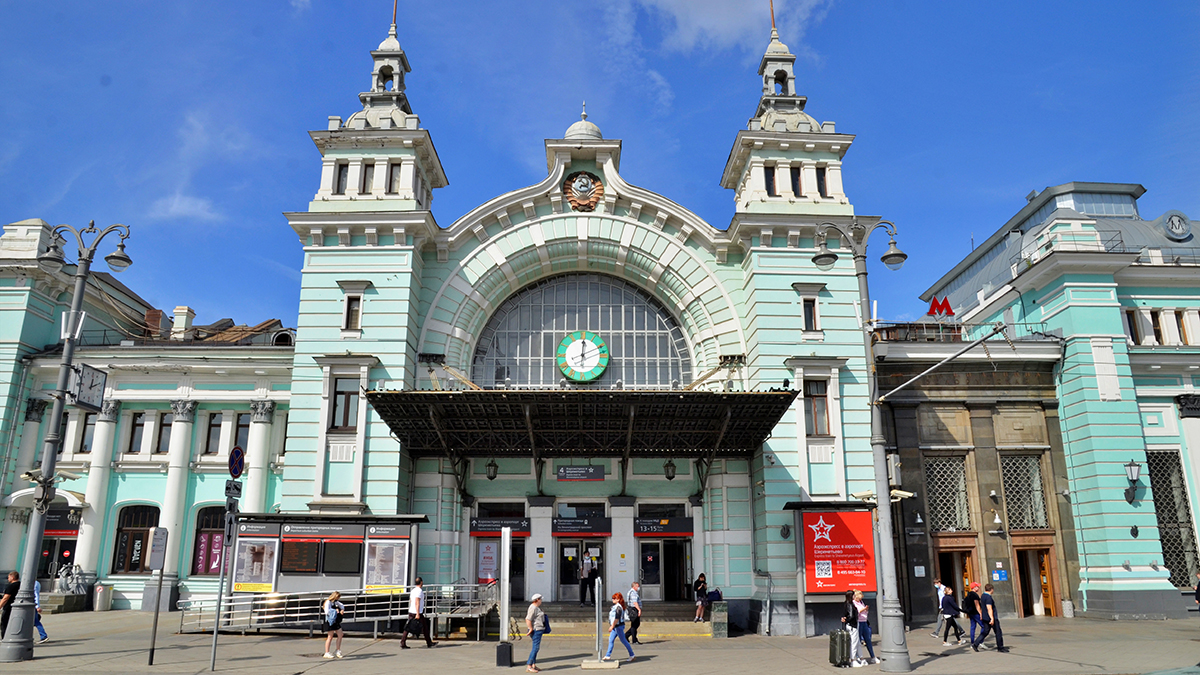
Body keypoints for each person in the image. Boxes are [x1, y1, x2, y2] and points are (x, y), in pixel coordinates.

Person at [972, 583, 1008, 653]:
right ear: (991, 590)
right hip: (991, 618)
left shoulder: (982, 596)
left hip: (985, 617)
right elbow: (989, 608)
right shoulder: (988, 598)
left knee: (985, 631)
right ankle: (1000, 647)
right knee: (998, 632)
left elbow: (982, 607)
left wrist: (982, 615)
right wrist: (992, 618)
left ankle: (976, 644)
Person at [401, 576, 436, 649]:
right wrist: (417, 613)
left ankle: (403, 642)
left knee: (408, 627)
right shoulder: (419, 591)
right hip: (417, 612)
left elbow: (411, 600)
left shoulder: (413, 590)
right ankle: (429, 643)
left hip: (412, 611)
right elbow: (417, 602)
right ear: (421, 582)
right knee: (424, 627)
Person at [602, 592, 635, 662]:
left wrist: (612, 626)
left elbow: (617, 618)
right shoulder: (617, 607)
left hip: (618, 627)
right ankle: (608, 655)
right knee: (611, 640)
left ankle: (632, 655)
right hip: (616, 627)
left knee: (624, 641)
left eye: (614, 598)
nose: (613, 599)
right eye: (612, 598)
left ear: (618, 599)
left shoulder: (618, 607)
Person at [853, 590, 879, 665]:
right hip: (859, 622)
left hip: (864, 621)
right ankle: (858, 657)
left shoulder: (861, 602)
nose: (859, 600)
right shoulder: (854, 603)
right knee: (858, 640)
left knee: (868, 640)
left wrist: (865, 609)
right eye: (858, 598)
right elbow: (857, 612)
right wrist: (864, 609)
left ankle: (873, 656)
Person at [840, 590, 862, 667]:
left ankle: (859, 658)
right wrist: (847, 619)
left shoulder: (846, 603)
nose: (854, 596)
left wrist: (845, 619)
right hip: (853, 625)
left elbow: (844, 614)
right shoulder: (850, 604)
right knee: (854, 643)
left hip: (848, 625)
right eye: (853, 595)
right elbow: (851, 616)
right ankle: (853, 660)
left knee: (855, 642)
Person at [525, 593, 546, 673]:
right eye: (540, 599)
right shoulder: (533, 608)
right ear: (537, 600)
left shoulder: (537, 608)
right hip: (536, 630)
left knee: (536, 647)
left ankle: (533, 664)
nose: (541, 601)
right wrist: (530, 628)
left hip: (539, 629)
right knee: (535, 648)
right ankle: (529, 665)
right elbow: (528, 619)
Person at [322, 590, 344, 659]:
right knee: (330, 636)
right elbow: (326, 612)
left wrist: (342, 609)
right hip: (330, 620)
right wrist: (335, 611)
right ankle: (327, 652)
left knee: (340, 634)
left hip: (335, 620)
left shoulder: (335, 602)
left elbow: (341, 605)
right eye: (337, 597)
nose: (337, 599)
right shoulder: (328, 602)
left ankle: (338, 650)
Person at [0, 571, 19, 639]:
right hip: (17, 607)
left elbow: (5, 598)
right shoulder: (21, 585)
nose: (8, 579)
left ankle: (5, 638)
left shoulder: (11, 586)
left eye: (8, 577)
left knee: (5, 623)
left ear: (12, 577)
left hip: (9, 607)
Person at [33, 579, 47, 644]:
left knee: (36, 621)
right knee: (35, 622)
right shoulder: (36, 583)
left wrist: (37, 606)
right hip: (33, 605)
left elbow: (36, 595)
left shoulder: (34, 583)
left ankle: (43, 636)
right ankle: (43, 635)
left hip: (32, 606)